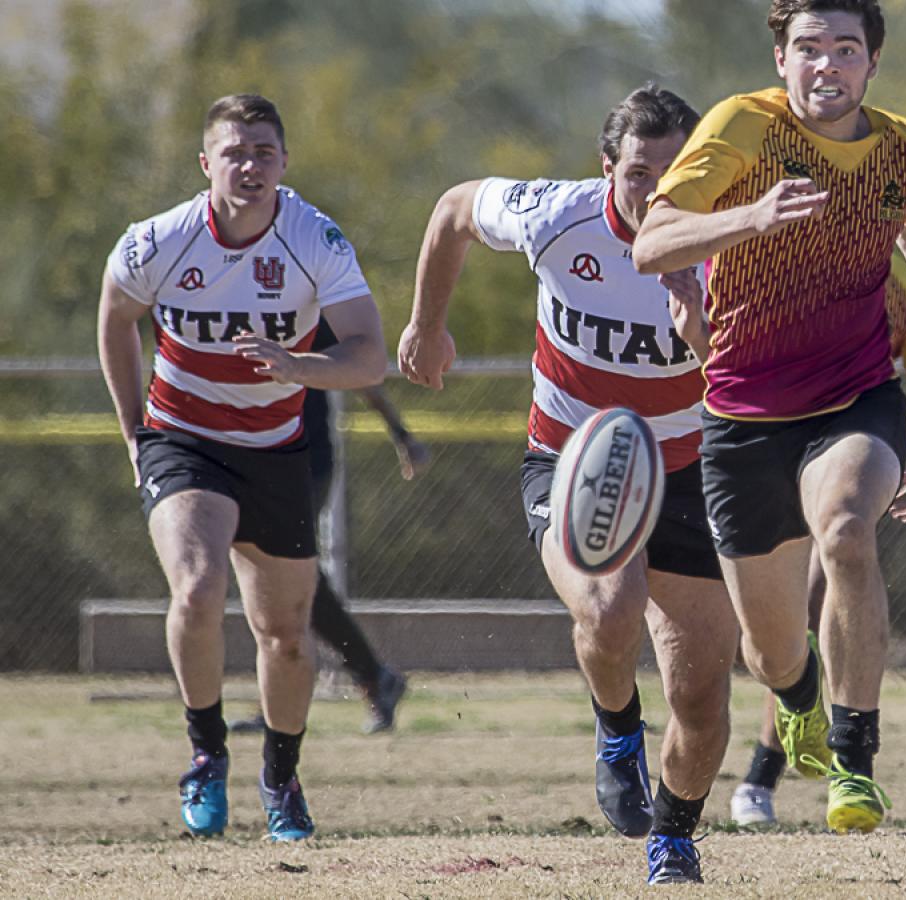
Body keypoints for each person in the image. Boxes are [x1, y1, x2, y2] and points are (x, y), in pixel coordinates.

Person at [633, 0, 906, 836]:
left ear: (872, 63)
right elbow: (652, 241)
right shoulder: (742, 126)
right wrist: (751, 215)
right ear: (782, 60)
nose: (826, 66)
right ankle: (799, 698)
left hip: (854, 397)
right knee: (767, 653)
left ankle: (855, 759)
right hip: (739, 414)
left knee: (847, 530)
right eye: (809, 48)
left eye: (845, 49)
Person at [398, 85, 736, 885]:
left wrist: (702, 331)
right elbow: (453, 209)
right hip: (574, 457)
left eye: (676, 171)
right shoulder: (557, 214)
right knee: (611, 608)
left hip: (689, 470)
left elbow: (753, 381)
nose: (657, 191)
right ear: (606, 168)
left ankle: (674, 831)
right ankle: (617, 726)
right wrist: (426, 323)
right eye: (639, 173)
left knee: (701, 696)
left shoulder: (728, 244)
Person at [97, 94, 388, 842]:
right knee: (197, 587)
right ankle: (205, 755)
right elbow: (116, 313)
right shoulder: (158, 239)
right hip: (183, 437)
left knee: (286, 633)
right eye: (235, 152)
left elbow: (366, 355)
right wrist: (134, 430)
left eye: (264, 152)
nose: (250, 165)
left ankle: (281, 777)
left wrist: (299, 364)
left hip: (275, 449)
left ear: (285, 164)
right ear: (207, 165)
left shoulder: (314, 239)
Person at [725, 253, 906, 826]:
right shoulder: (752, 269)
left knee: (831, 565)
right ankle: (777, 752)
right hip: (764, 443)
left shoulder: (898, 287)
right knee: (778, 635)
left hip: (847, 448)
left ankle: (817, 767)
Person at [229, 319, 425, 737]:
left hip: (303, 460)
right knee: (288, 579)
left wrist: (400, 432)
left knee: (285, 575)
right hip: (247, 456)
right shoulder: (231, 295)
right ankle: (371, 676)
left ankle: (352, 682)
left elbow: (361, 370)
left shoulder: (302, 297)